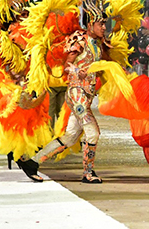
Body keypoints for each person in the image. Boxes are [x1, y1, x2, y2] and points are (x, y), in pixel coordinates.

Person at [19, 9, 110, 184]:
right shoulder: (79, 39)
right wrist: (78, 71)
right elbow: (66, 64)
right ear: (90, 24)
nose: (104, 27)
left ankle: (31, 162)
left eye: (105, 23)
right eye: (101, 23)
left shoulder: (98, 44)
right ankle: (88, 173)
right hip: (77, 94)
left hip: (86, 95)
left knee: (70, 136)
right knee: (93, 133)